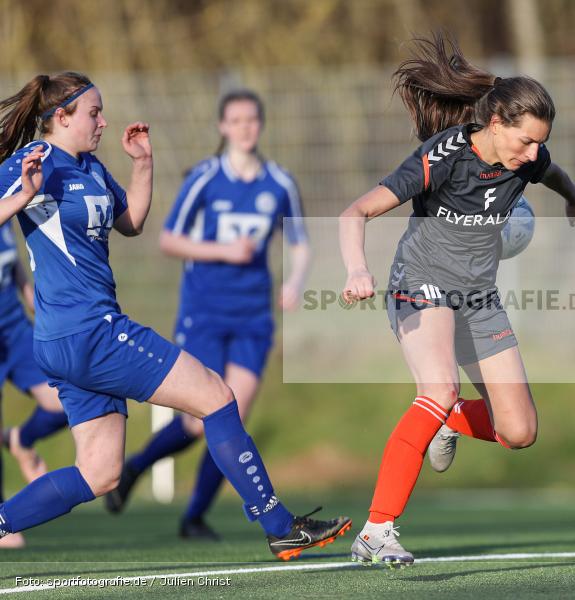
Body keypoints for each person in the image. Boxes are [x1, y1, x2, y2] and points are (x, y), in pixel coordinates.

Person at [0, 71, 349, 560]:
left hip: (70, 340)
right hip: (91, 332)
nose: (103, 122)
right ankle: (279, 525)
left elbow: (132, 223)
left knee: (100, 473)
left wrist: (143, 164)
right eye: (94, 113)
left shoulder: (92, 167)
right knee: (216, 397)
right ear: (61, 117)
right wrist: (20, 197)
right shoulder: (33, 161)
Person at [340, 34, 575, 566]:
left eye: (539, 144)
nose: (533, 153)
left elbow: (553, 173)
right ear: (496, 124)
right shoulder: (442, 158)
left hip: (477, 296)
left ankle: (450, 418)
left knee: (518, 431)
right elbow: (355, 212)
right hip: (420, 281)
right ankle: (377, 530)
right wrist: (357, 268)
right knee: (437, 386)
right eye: (526, 141)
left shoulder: (528, 159)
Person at [103, 89, 312, 541]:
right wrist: (224, 251)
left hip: (253, 318)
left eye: (251, 119)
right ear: (223, 127)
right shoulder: (204, 178)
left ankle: (194, 516)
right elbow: (169, 240)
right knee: (196, 423)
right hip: (205, 313)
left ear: (260, 125)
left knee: (231, 416)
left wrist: (295, 282)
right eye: (235, 120)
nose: (244, 128)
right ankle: (137, 466)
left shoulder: (279, 182)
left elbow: (300, 243)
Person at [0, 221, 70, 548]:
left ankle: (21, 440)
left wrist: (30, 294)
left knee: (64, 400)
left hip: (14, 329)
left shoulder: (5, 207)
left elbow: (11, 261)